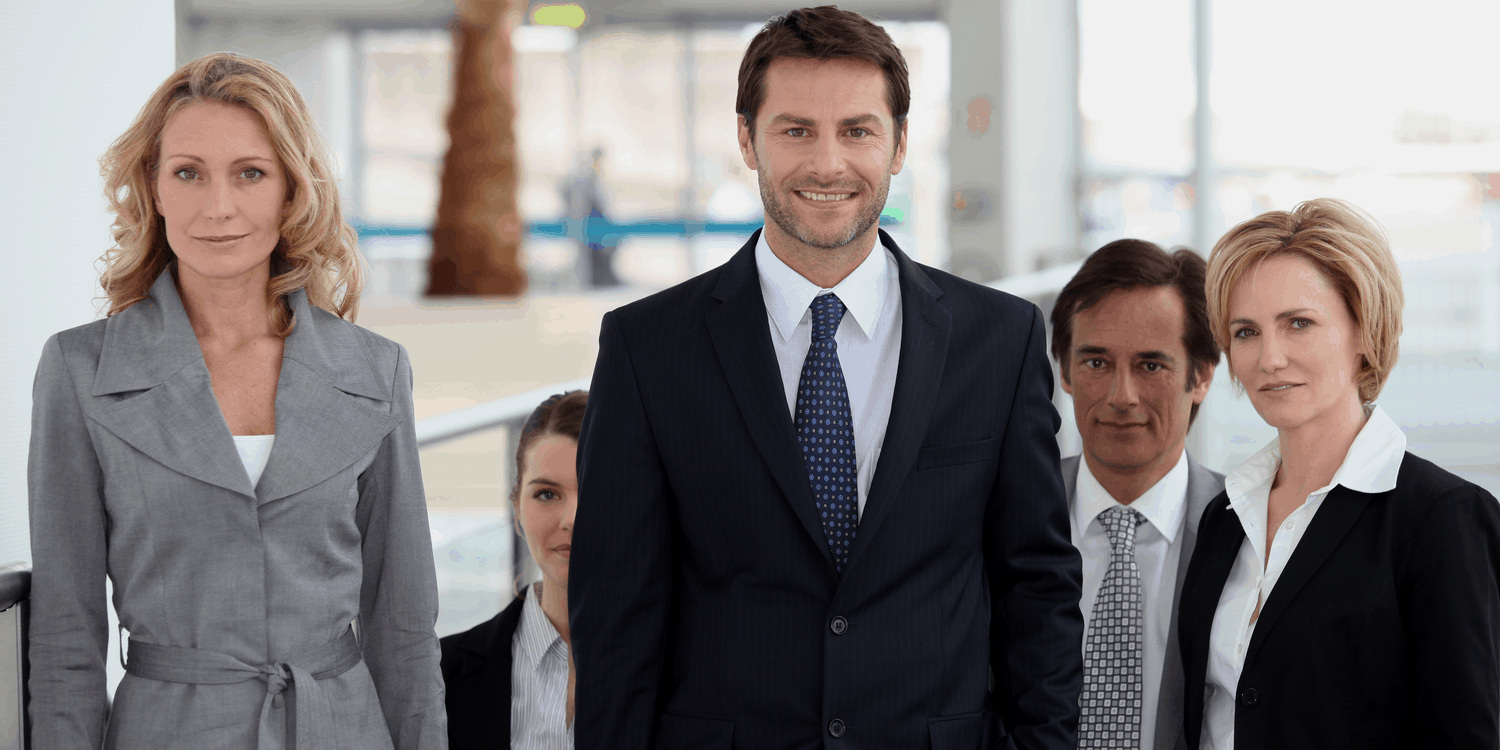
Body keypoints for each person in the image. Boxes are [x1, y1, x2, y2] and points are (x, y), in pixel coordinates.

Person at [570, 7, 1083, 750]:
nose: (828, 163)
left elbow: (1035, 584)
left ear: (900, 143)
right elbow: (617, 612)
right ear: (747, 139)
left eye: (858, 130)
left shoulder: (997, 339)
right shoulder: (648, 347)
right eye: (796, 130)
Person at [27, 53, 446, 749]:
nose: (217, 207)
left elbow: (403, 627)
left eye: (250, 173)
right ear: (153, 190)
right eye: (188, 173)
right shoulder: (81, 369)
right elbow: (66, 635)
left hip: (342, 728)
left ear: (290, 192)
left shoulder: (376, 369)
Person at [1176, 198, 1500, 749]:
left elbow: (1465, 734)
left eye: (1298, 324)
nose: (1269, 358)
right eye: (1246, 332)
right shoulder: (1225, 515)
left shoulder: (1442, 518)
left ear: (1363, 332)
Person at [1049, 239, 1224, 750]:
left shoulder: (1253, 533)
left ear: (1202, 376)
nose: (1121, 396)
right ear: (1064, 371)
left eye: (1151, 366)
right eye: (1096, 363)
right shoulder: (1001, 518)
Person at [441, 391, 587, 749]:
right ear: (516, 510)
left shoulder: (694, 670)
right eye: (547, 494)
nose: (572, 520)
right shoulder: (440, 675)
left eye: (596, 491)